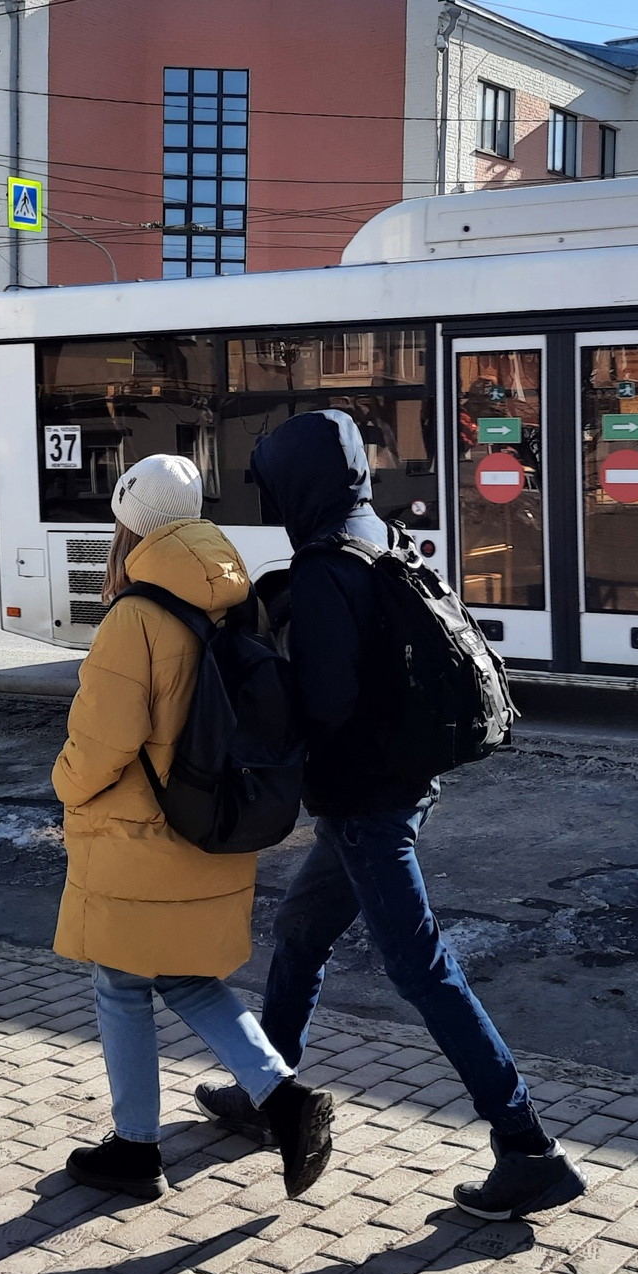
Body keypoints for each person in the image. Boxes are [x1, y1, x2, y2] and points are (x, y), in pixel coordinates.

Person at [197, 410, 585, 1223]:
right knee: (302, 934)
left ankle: (528, 1148)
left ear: (299, 483)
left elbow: (329, 703)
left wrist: (261, 687)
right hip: (391, 785)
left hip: (369, 800)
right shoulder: (374, 533)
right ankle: (268, 1088)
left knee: (423, 971)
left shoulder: (321, 567)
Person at [52, 454, 334, 1203]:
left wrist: (64, 786)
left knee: (118, 982)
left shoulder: (136, 617)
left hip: (137, 837)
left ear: (130, 526)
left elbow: (103, 744)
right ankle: (285, 1098)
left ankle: (136, 1151)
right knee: (183, 975)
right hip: (213, 823)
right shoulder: (236, 596)